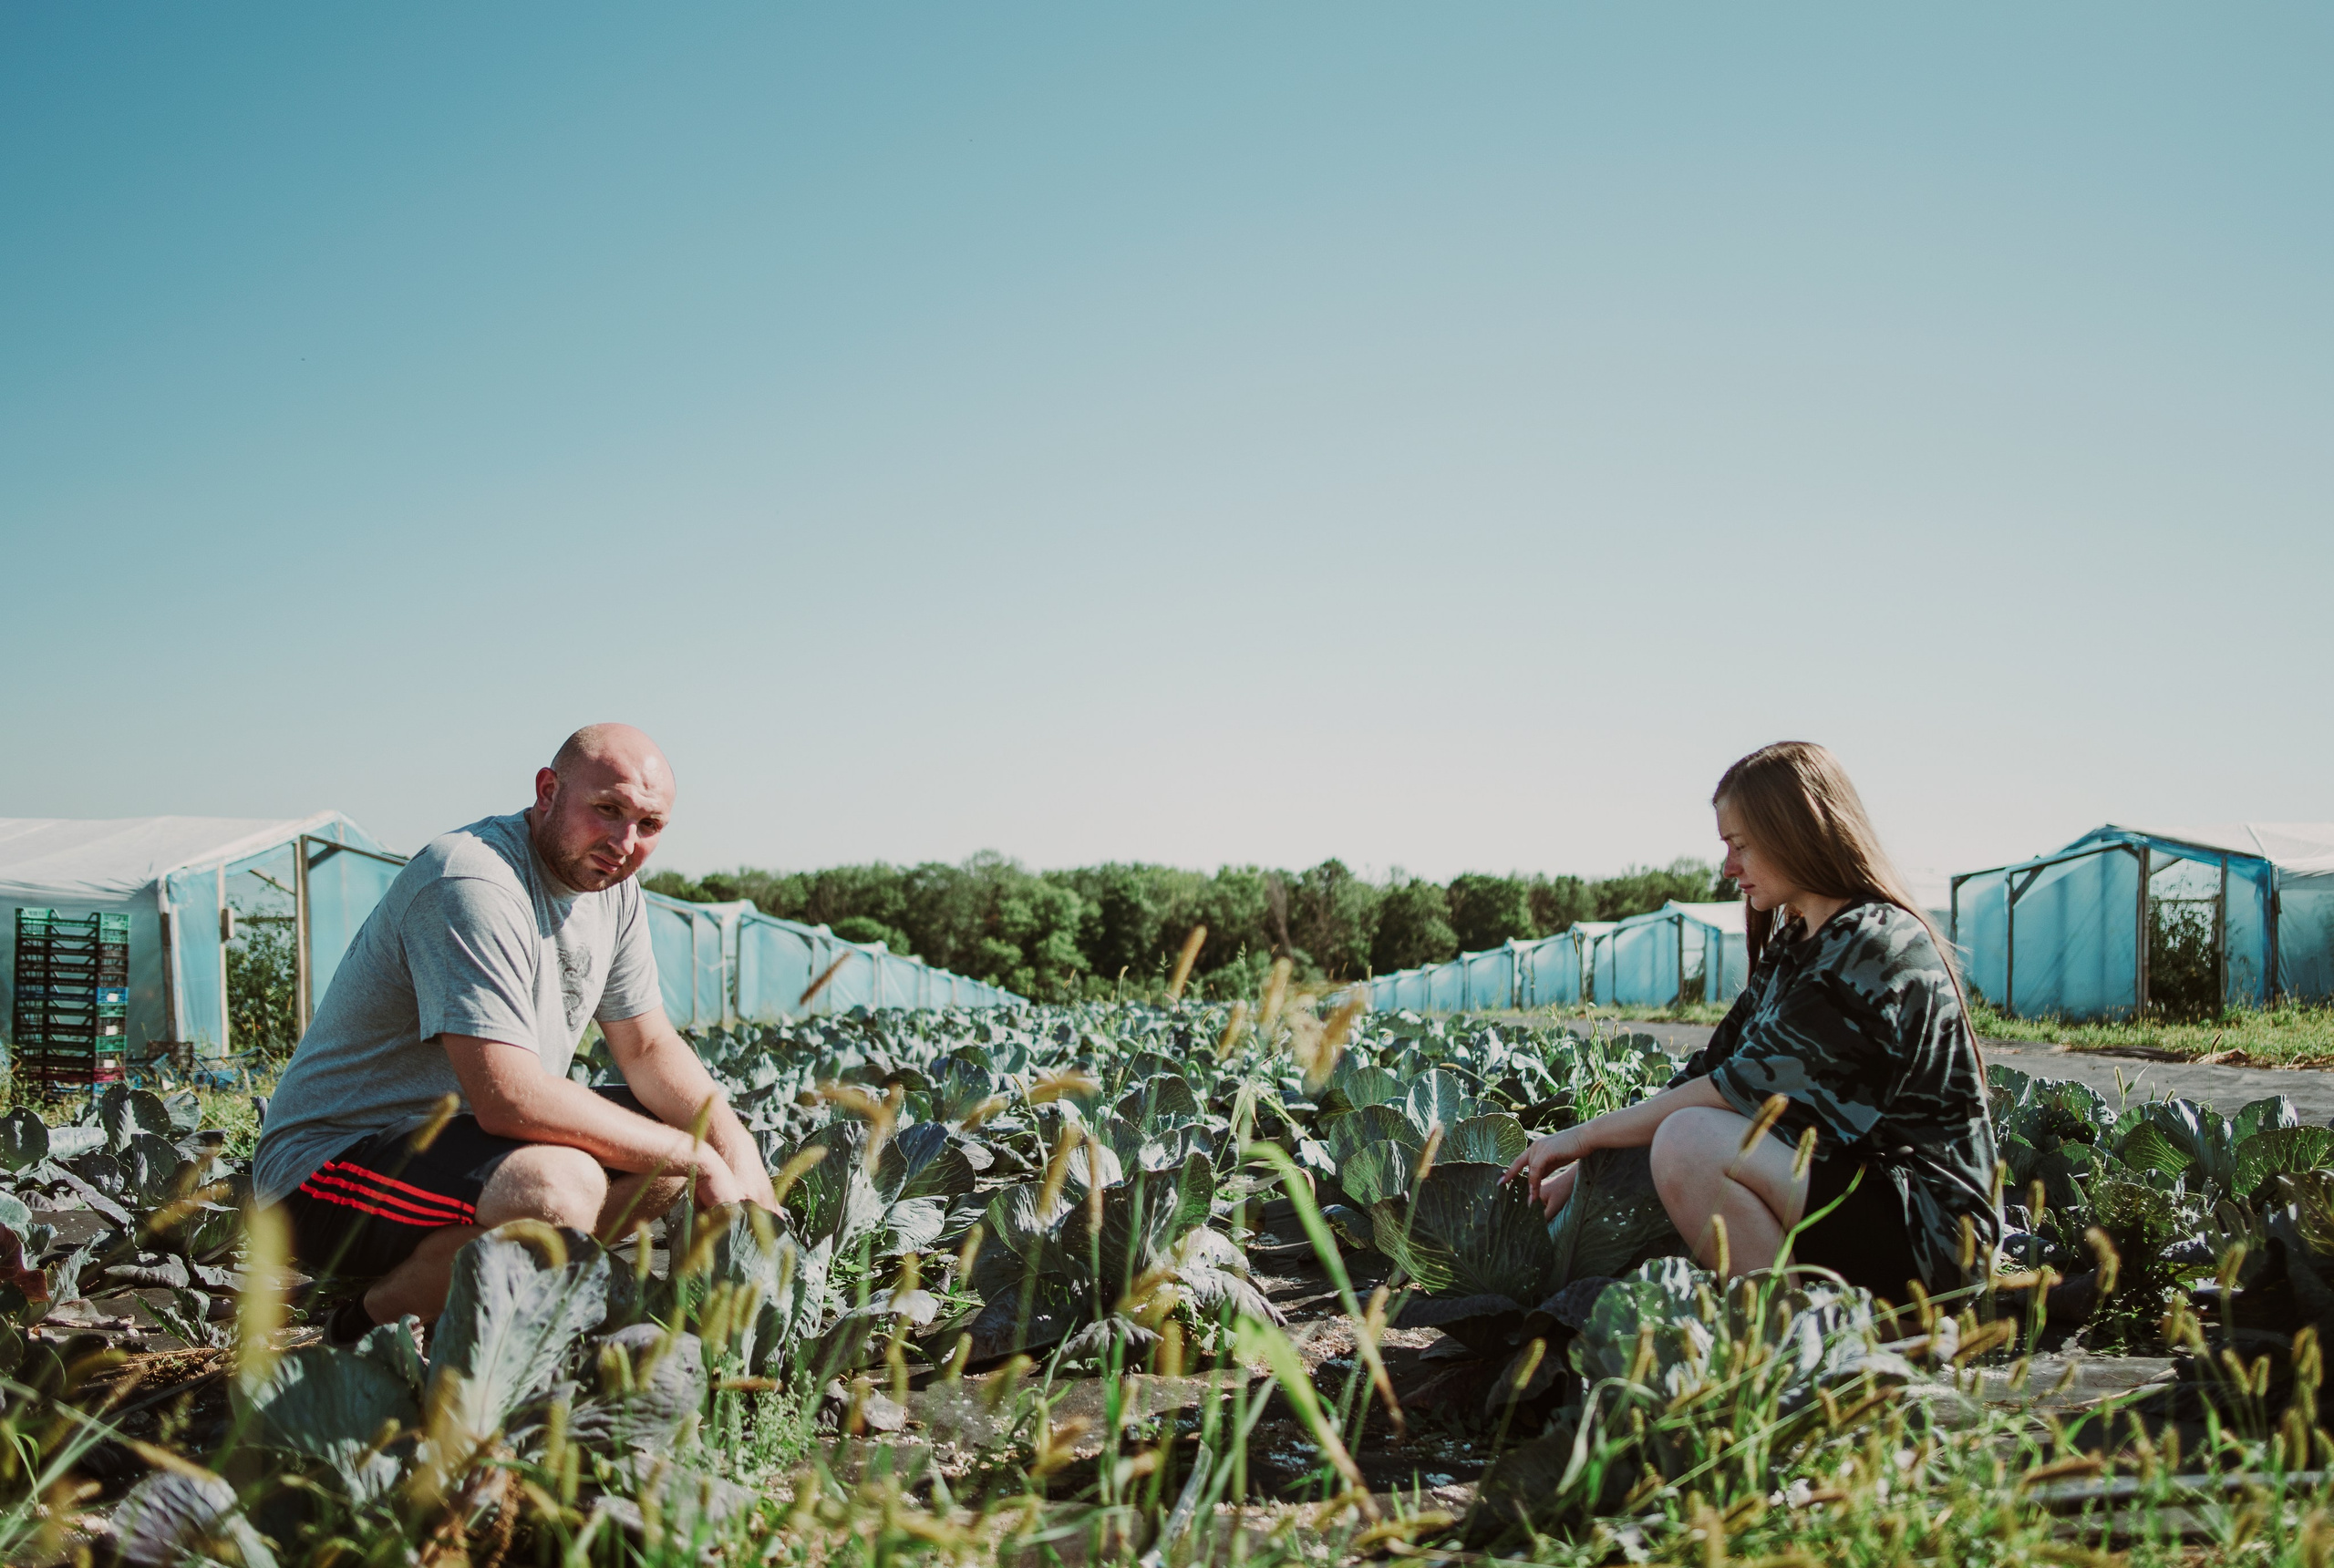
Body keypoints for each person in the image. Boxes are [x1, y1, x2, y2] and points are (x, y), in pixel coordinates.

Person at [254, 724, 777, 1338]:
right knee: (560, 1189)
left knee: (668, 1130)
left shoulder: (614, 891)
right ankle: (359, 1328)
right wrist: (696, 1159)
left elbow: (649, 1046)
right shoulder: (472, 880)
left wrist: (738, 1158)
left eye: (649, 826)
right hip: (328, 1167)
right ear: (548, 792)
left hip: (459, 1147)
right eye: (607, 810)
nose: (624, 841)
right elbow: (508, 1097)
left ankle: (491, 1280)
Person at [1503, 740, 1998, 1303]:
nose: (1727, 868)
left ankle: (1809, 1343)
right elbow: (1711, 1067)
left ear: (1799, 832)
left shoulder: (1872, 945)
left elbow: (1729, 1093)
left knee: (1688, 1144)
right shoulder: (1798, 940)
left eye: (1740, 845)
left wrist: (1583, 1138)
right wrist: (1586, 1177)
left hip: (1932, 1233)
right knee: (1683, 1141)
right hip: (1854, 1195)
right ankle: (1846, 1326)